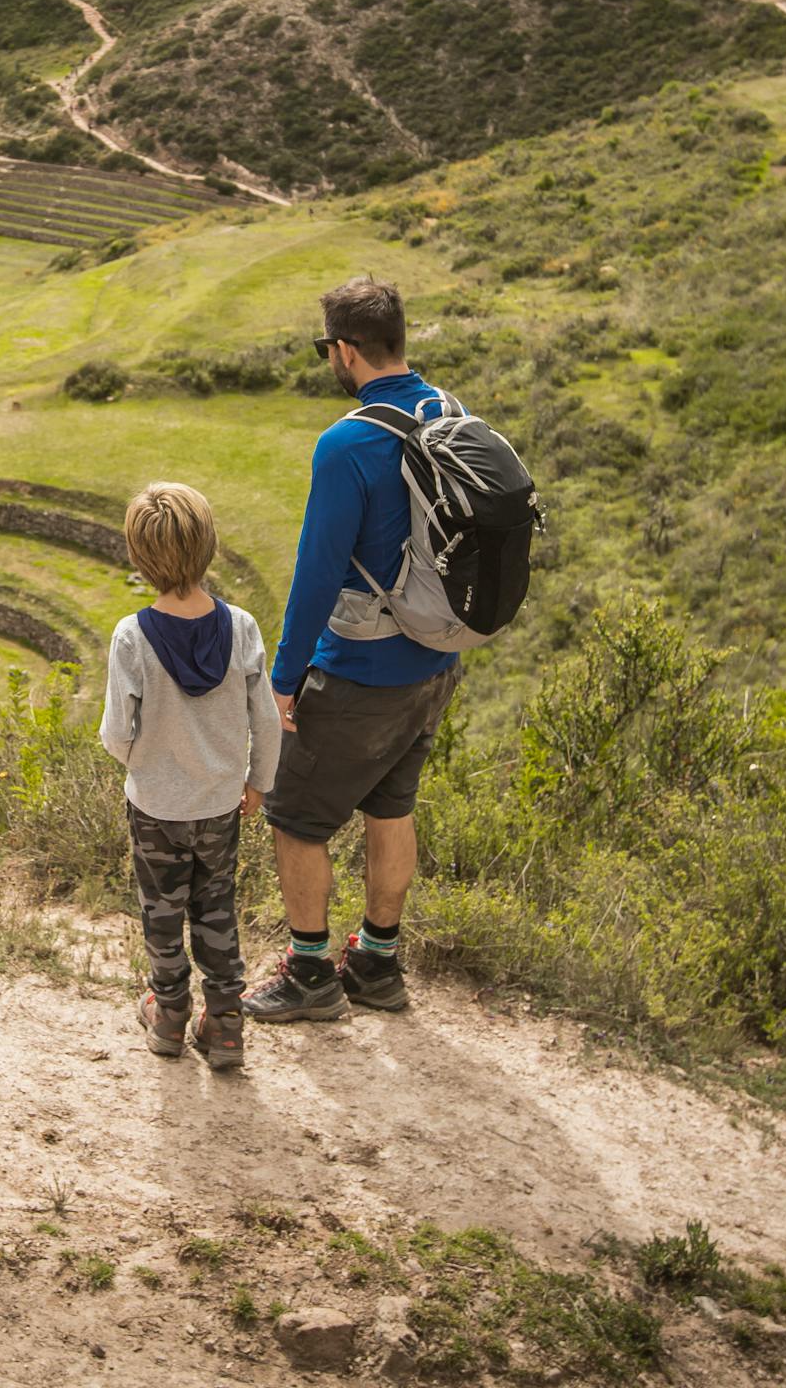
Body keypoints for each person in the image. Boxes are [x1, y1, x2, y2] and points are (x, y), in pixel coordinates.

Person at [244, 278, 464, 1026]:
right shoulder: (451, 413)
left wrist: (284, 680)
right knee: (389, 805)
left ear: (343, 349)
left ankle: (310, 974)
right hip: (436, 661)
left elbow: (317, 571)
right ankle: (376, 962)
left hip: (362, 669)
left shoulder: (348, 441)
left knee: (295, 818)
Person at [100, 482, 281, 1071]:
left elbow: (115, 732)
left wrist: (148, 767)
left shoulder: (133, 636)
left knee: (162, 909)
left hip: (156, 806)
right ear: (209, 546)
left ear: (139, 557)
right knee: (216, 905)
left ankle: (170, 1016)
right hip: (221, 804)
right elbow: (267, 720)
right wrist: (258, 782)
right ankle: (226, 1024)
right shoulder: (244, 627)